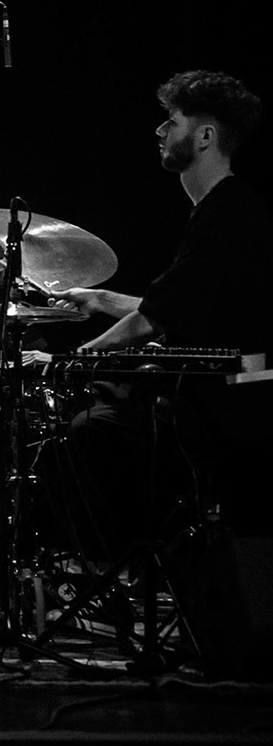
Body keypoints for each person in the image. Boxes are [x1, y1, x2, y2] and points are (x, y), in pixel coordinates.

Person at [42, 70, 272, 559]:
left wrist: (72, 359)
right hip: (226, 393)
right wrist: (103, 301)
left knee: (87, 434)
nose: (160, 131)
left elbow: (154, 320)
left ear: (205, 136)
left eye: (172, 121)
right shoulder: (227, 209)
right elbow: (183, 306)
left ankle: (115, 569)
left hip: (231, 408)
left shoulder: (226, 214)